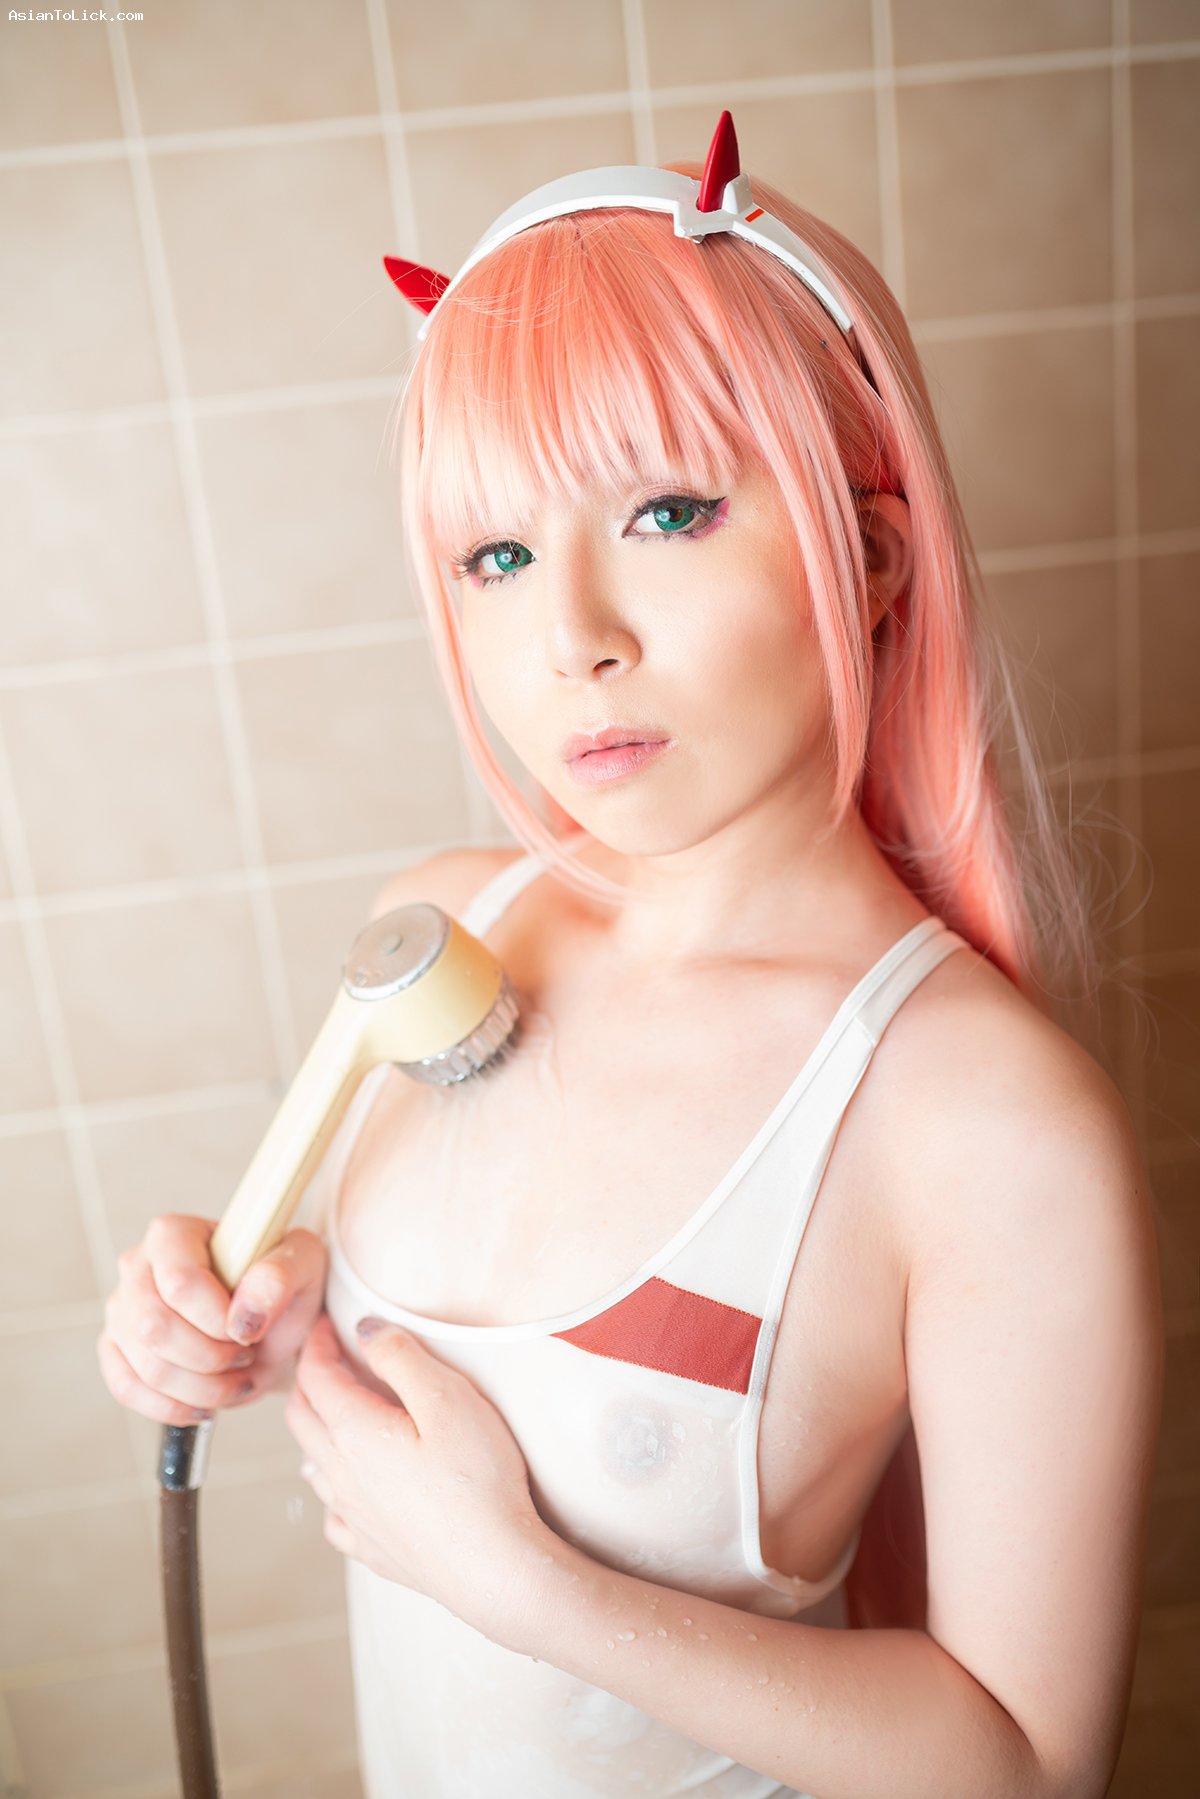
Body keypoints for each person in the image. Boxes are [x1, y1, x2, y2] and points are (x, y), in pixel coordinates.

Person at [97, 114, 1164, 1799]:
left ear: (871, 558)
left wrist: (528, 1590)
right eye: (498, 557)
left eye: (669, 512)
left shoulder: (985, 1123)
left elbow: (1028, 1765)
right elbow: (462, 1368)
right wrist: (251, 1326)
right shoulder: (447, 932)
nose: (571, 636)